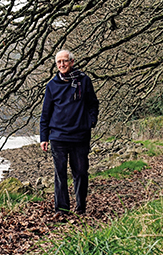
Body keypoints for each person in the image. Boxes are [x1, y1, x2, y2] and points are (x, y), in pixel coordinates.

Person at [40, 50, 99, 218]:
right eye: (59, 62)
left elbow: (93, 104)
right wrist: (43, 137)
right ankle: (62, 210)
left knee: (80, 172)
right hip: (58, 137)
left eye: (65, 61)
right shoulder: (52, 85)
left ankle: (81, 207)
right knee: (60, 174)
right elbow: (46, 113)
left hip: (80, 135)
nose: (62, 65)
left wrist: (91, 121)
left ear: (72, 62)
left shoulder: (84, 81)